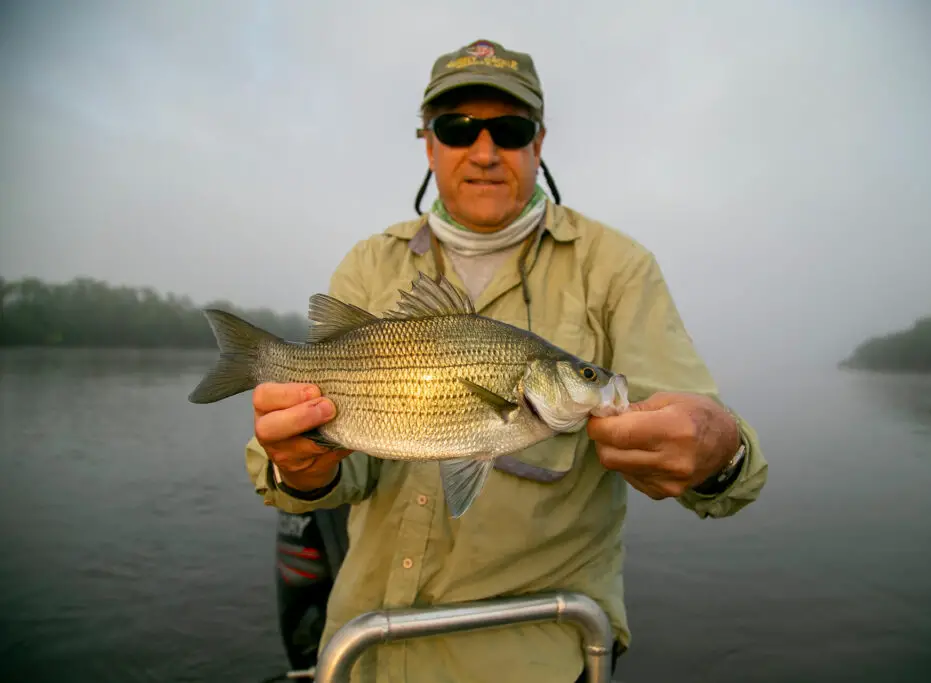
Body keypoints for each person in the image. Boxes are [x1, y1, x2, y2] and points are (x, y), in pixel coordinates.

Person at [244, 38, 768, 683]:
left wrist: (719, 452)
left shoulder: (616, 268)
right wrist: (301, 466)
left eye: (510, 130)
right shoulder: (368, 265)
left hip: (533, 658)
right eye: (457, 128)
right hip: (360, 654)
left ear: (539, 143)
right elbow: (337, 478)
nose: (485, 151)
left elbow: (718, 459)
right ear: (429, 145)